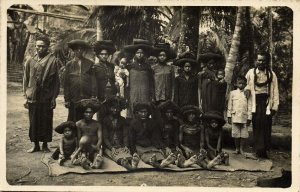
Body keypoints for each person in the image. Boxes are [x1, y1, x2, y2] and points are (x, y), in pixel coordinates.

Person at [23, 35, 61, 153]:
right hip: (33, 96)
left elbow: (56, 82)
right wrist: (25, 96)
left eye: (42, 46)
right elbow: (26, 78)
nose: (39, 48)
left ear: (47, 47)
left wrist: (54, 97)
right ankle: (35, 145)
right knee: (33, 120)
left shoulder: (53, 61)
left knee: (46, 120)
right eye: (37, 46)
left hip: (46, 96)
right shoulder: (30, 60)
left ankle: (45, 145)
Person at [244, 51, 279, 158]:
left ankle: (264, 150)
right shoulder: (250, 73)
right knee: (257, 124)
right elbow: (246, 86)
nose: (261, 62)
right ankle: (258, 150)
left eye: (263, 60)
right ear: (256, 61)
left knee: (266, 125)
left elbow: (275, 90)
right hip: (255, 102)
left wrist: (275, 106)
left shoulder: (271, 74)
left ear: (266, 61)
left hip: (267, 102)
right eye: (259, 60)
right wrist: (246, 90)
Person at [129, 103, 176, 168]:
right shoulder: (133, 123)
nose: (143, 114)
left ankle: (162, 162)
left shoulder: (152, 122)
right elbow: (131, 139)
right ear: (137, 113)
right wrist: (133, 152)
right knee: (146, 157)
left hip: (150, 146)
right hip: (139, 146)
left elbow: (156, 138)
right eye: (141, 112)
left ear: (148, 112)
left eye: (145, 112)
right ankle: (157, 164)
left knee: (158, 155)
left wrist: (164, 147)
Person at [102, 97, 140, 170]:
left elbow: (125, 134)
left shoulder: (122, 120)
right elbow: (105, 137)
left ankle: (131, 162)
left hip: (120, 144)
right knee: (115, 155)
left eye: (117, 108)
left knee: (126, 153)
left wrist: (126, 145)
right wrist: (111, 148)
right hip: (109, 145)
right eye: (113, 108)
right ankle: (125, 163)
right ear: (109, 108)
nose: (115, 110)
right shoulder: (105, 120)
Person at [64, 39, 96, 122]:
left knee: (86, 116)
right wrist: (67, 99)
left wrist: (93, 95)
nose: (79, 51)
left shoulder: (90, 63)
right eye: (77, 49)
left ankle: (84, 134)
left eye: (81, 49)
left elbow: (93, 80)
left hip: (86, 95)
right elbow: (66, 83)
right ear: (73, 50)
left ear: (83, 50)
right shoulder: (69, 64)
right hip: (73, 96)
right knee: (73, 117)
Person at [123, 39, 155, 117]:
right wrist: (126, 97)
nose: (140, 55)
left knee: (144, 112)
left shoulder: (148, 67)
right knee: (133, 112)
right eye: (138, 53)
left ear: (144, 54)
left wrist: (152, 96)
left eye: (141, 53)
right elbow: (126, 84)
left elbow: (151, 82)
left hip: (145, 94)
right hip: (133, 93)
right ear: (135, 54)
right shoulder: (130, 66)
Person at [71, 99, 103, 169]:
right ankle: (84, 160)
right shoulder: (79, 123)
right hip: (83, 147)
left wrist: (97, 147)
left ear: (93, 113)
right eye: (86, 112)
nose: (88, 114)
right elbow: (79, 139)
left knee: (97, 157)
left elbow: (100, 138)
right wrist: (80, 150)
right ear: (83, 113)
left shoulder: (97, 124)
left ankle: (95, 162)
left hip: (94, 147)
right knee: (83, 155)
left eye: (90, 112)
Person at [227, 76, 252, 155]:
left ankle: (241, 149)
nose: (241, 85)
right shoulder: (233, 93)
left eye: (243, 83)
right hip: (235, 116)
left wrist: (249, 117)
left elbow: (250, 106)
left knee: (243, 134)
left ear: (245, 84)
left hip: (244, 116)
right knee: (236, 134)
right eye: (239, 83)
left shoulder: (247, 93)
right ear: (236, 84)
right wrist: (229, 116)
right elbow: (230, 105)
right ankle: (237, 148)